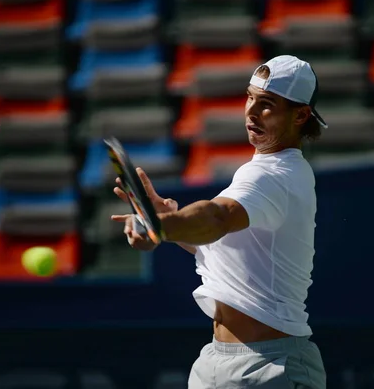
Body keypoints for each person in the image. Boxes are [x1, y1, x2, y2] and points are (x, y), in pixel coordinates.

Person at [111, 55, 327, 388]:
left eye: (266, 104)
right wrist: (168, 219)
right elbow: (219, 247)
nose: (251, 111)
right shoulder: (264, 174)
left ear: (300, 115)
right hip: (215, 363)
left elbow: (217, 217)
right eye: (250, 97)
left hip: (270, 368)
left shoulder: (276, 176)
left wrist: (159, 225)